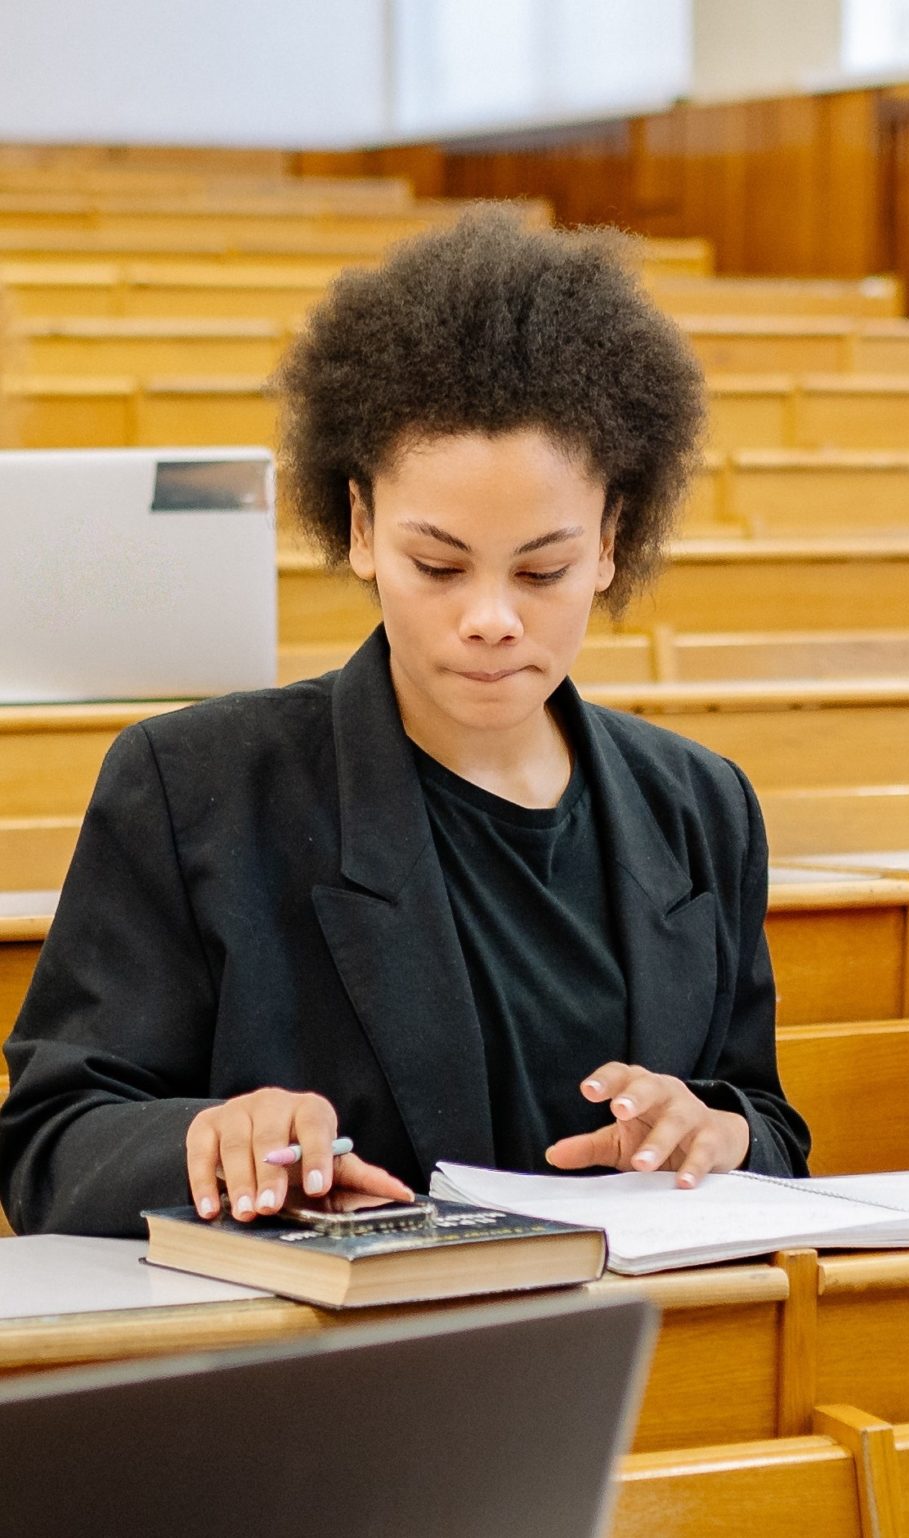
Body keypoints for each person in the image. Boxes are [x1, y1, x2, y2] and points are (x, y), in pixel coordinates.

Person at [0, 209, 808, 1237]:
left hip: (650, 1364)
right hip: (330, 1374)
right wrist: (204, 1137)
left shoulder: (699, 805)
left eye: (542, 569)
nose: (489, 617)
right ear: (360, 529)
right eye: (437, 564)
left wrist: (718, 1130)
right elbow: (50, 1142)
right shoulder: (192, 786)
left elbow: (765, 1119)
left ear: (611, 541)